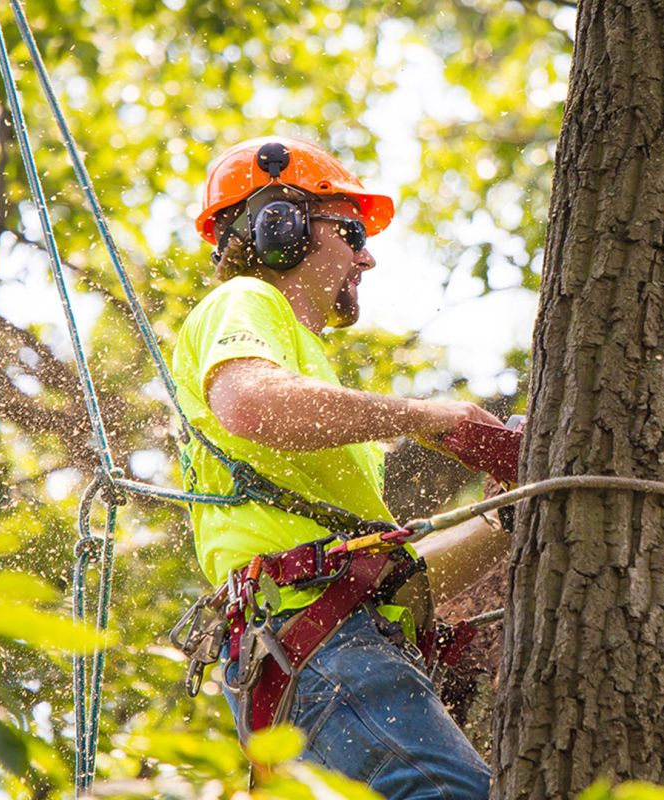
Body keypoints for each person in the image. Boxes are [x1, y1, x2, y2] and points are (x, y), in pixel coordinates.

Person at [171, 135, 505, 798]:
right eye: (350, 231)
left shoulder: (307, 368)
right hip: (324, 651)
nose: (367, 256)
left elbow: (395, 579)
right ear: (282, 227)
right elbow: (250, 405)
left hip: (333, 651)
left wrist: (510, 520)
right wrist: (426, 416)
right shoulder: (246, 302)